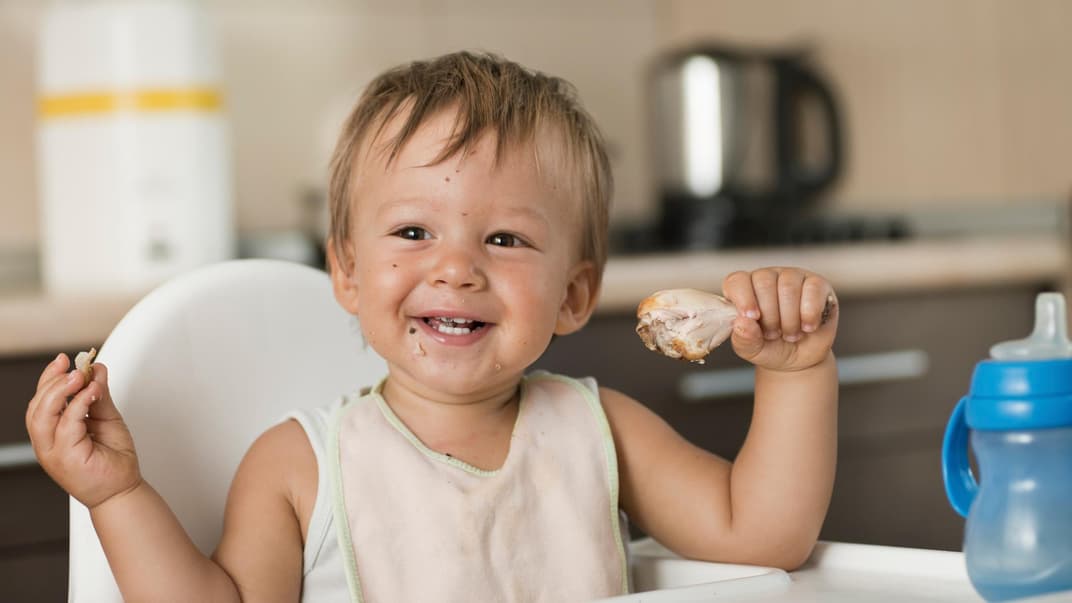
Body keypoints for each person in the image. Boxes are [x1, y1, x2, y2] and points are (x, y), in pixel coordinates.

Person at [25, 51, 839, 602]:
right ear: (346, 270)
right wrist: (118, 495)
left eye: (505, 239)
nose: (457, 267)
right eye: (414, 232)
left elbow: (764, 534)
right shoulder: (299, 466)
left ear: (574, 293)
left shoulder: (601, 429)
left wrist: (796, 371)